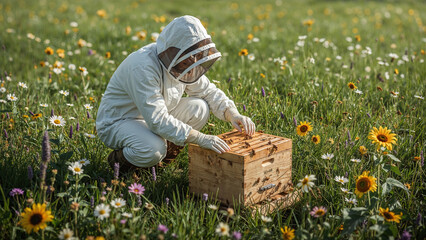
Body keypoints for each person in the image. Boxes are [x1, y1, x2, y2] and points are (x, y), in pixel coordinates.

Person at [96, 15, 256, 174]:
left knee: (199, 108)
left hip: (153, 116)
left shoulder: (186, 59)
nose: (192, 67)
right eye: (187, 62)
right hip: (120, 120)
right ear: (173, 52)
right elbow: (157, 120)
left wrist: (233, 114)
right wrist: (200, 138)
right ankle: (119, 163)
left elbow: (208, 91)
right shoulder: (142, 68)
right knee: (152, 149)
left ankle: (158, 166)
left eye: (197, 58)